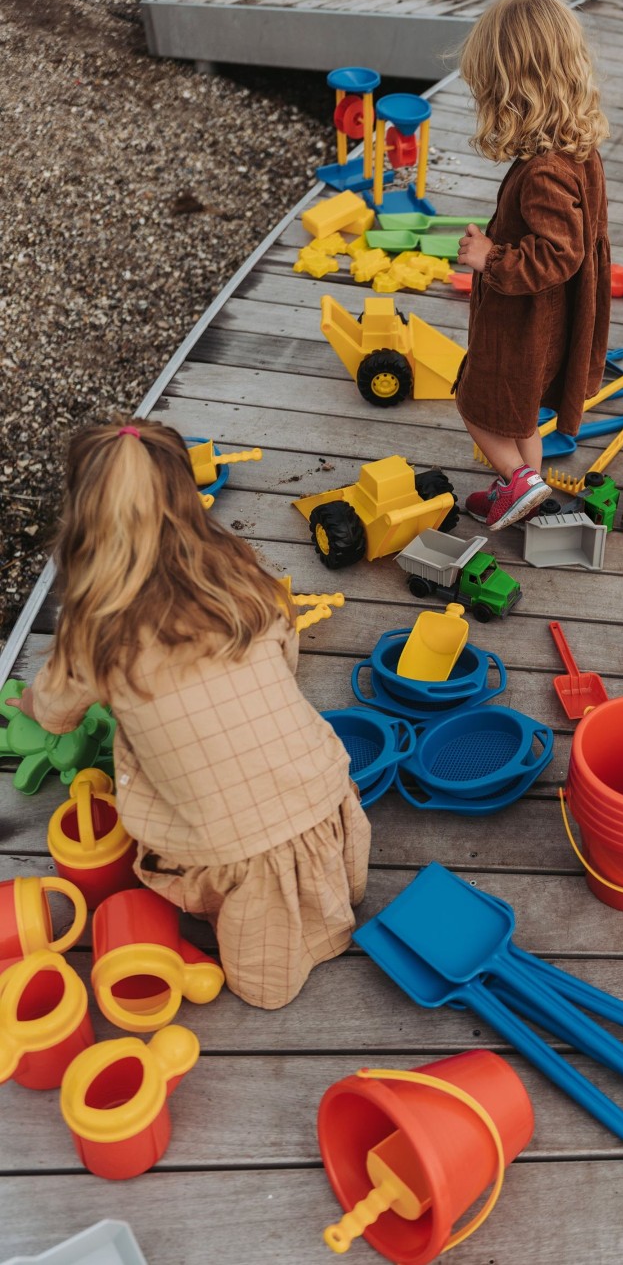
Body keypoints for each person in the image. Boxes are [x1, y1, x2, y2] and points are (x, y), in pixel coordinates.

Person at [12, 419, 370, 1010]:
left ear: (84, 519)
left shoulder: (95, 629)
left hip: (234, 845)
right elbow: (284, 654)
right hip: (323, 789)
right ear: (187, 494)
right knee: (286, 849)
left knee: (263, 989)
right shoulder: (242, 574)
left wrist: (29, 699)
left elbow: (52, 715)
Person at [454, 0, 612, 531]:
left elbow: (558, 253)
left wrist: (489, 255)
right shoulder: (578, 150)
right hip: (550, 319)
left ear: (514, 94)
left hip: (522, 320)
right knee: (519, 412)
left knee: (475, 403)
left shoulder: (544, 170)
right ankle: (522, 493)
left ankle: (520, 481)